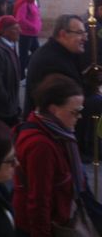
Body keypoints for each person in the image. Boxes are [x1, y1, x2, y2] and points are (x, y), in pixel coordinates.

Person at [14, 74, 88, 237]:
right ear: (54, 109)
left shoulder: (56, 130)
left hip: (56, 217)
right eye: (75, 112)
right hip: (43, 226)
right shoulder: (41, 146)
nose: (79, 117)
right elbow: (38, 200)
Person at [24, 14, 87, 117]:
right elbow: (67, 104)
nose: (85, 38)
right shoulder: (51, 62)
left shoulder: (65, 53)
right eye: (79, 33)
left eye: (85, 33)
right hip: (49, 129)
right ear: (63, 34)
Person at [14, 0, 42, 78]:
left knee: (36, 53)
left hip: (32, 34)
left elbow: (36, 13)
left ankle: (20, 71)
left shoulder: (31, 1)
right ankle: (20, 73)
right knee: (25, 55)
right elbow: (20, 19)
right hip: (25, 33)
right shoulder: (24, 2)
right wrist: (33, 26)